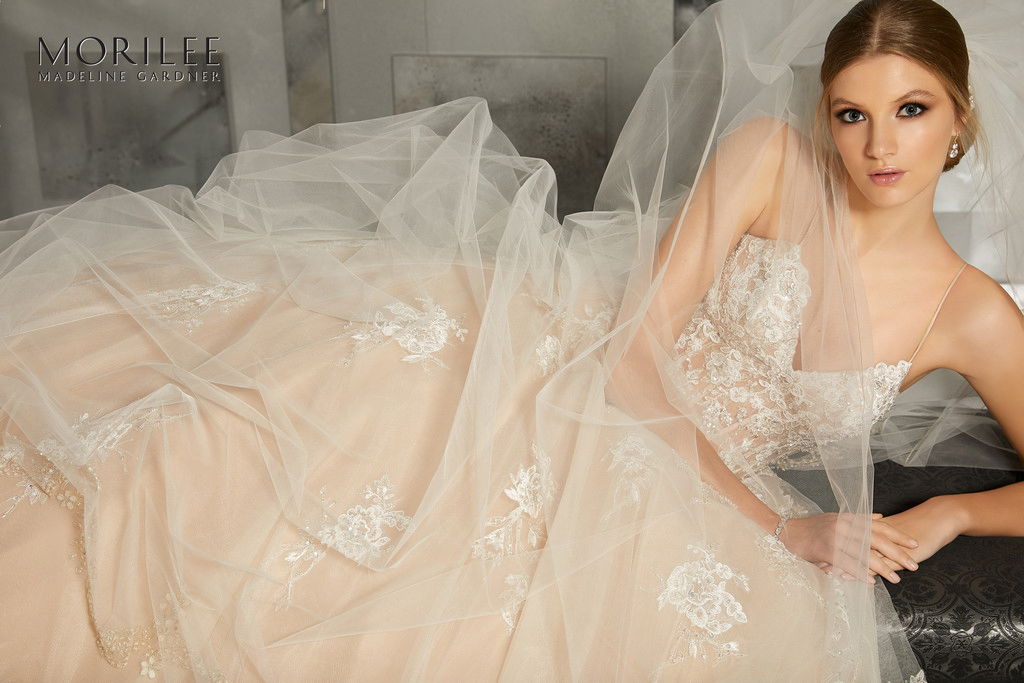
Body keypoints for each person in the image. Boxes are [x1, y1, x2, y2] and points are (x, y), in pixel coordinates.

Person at [0, 0, 1021, 680]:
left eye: (911, 109)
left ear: (959, 118)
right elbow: (632, 357)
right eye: (851, 113)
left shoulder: (971, 311)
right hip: (577, 365)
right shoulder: (770, 160)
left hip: (691, 477)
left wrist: (949, 514)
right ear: (824, 116)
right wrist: (777, 526)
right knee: (236, 452)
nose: (879, 144)